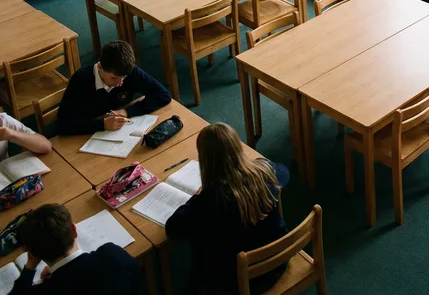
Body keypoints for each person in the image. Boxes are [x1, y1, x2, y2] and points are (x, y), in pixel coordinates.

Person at [165, 123, 289, 295]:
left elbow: (173, 229)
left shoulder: (208, 201)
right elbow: (285, 172)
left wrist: (197, 196)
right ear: (237, 148)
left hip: (238, 284)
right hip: (278, 261)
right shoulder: (264, 171)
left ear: (206, 161)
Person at [12, 203, 143, 294]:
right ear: (74, 230)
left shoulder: (46, 290)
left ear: (34, 254)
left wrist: (29, 267)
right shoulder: (112, 255)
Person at [57, 40, 170, 135]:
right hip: (87, 135)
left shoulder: (129, 71)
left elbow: (163, 95)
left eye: (124, 77)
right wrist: (102, 124)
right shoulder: (80, 79)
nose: (120, 82)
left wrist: (126, 111)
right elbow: (63, 124)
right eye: (114, 78)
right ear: (100, 67)